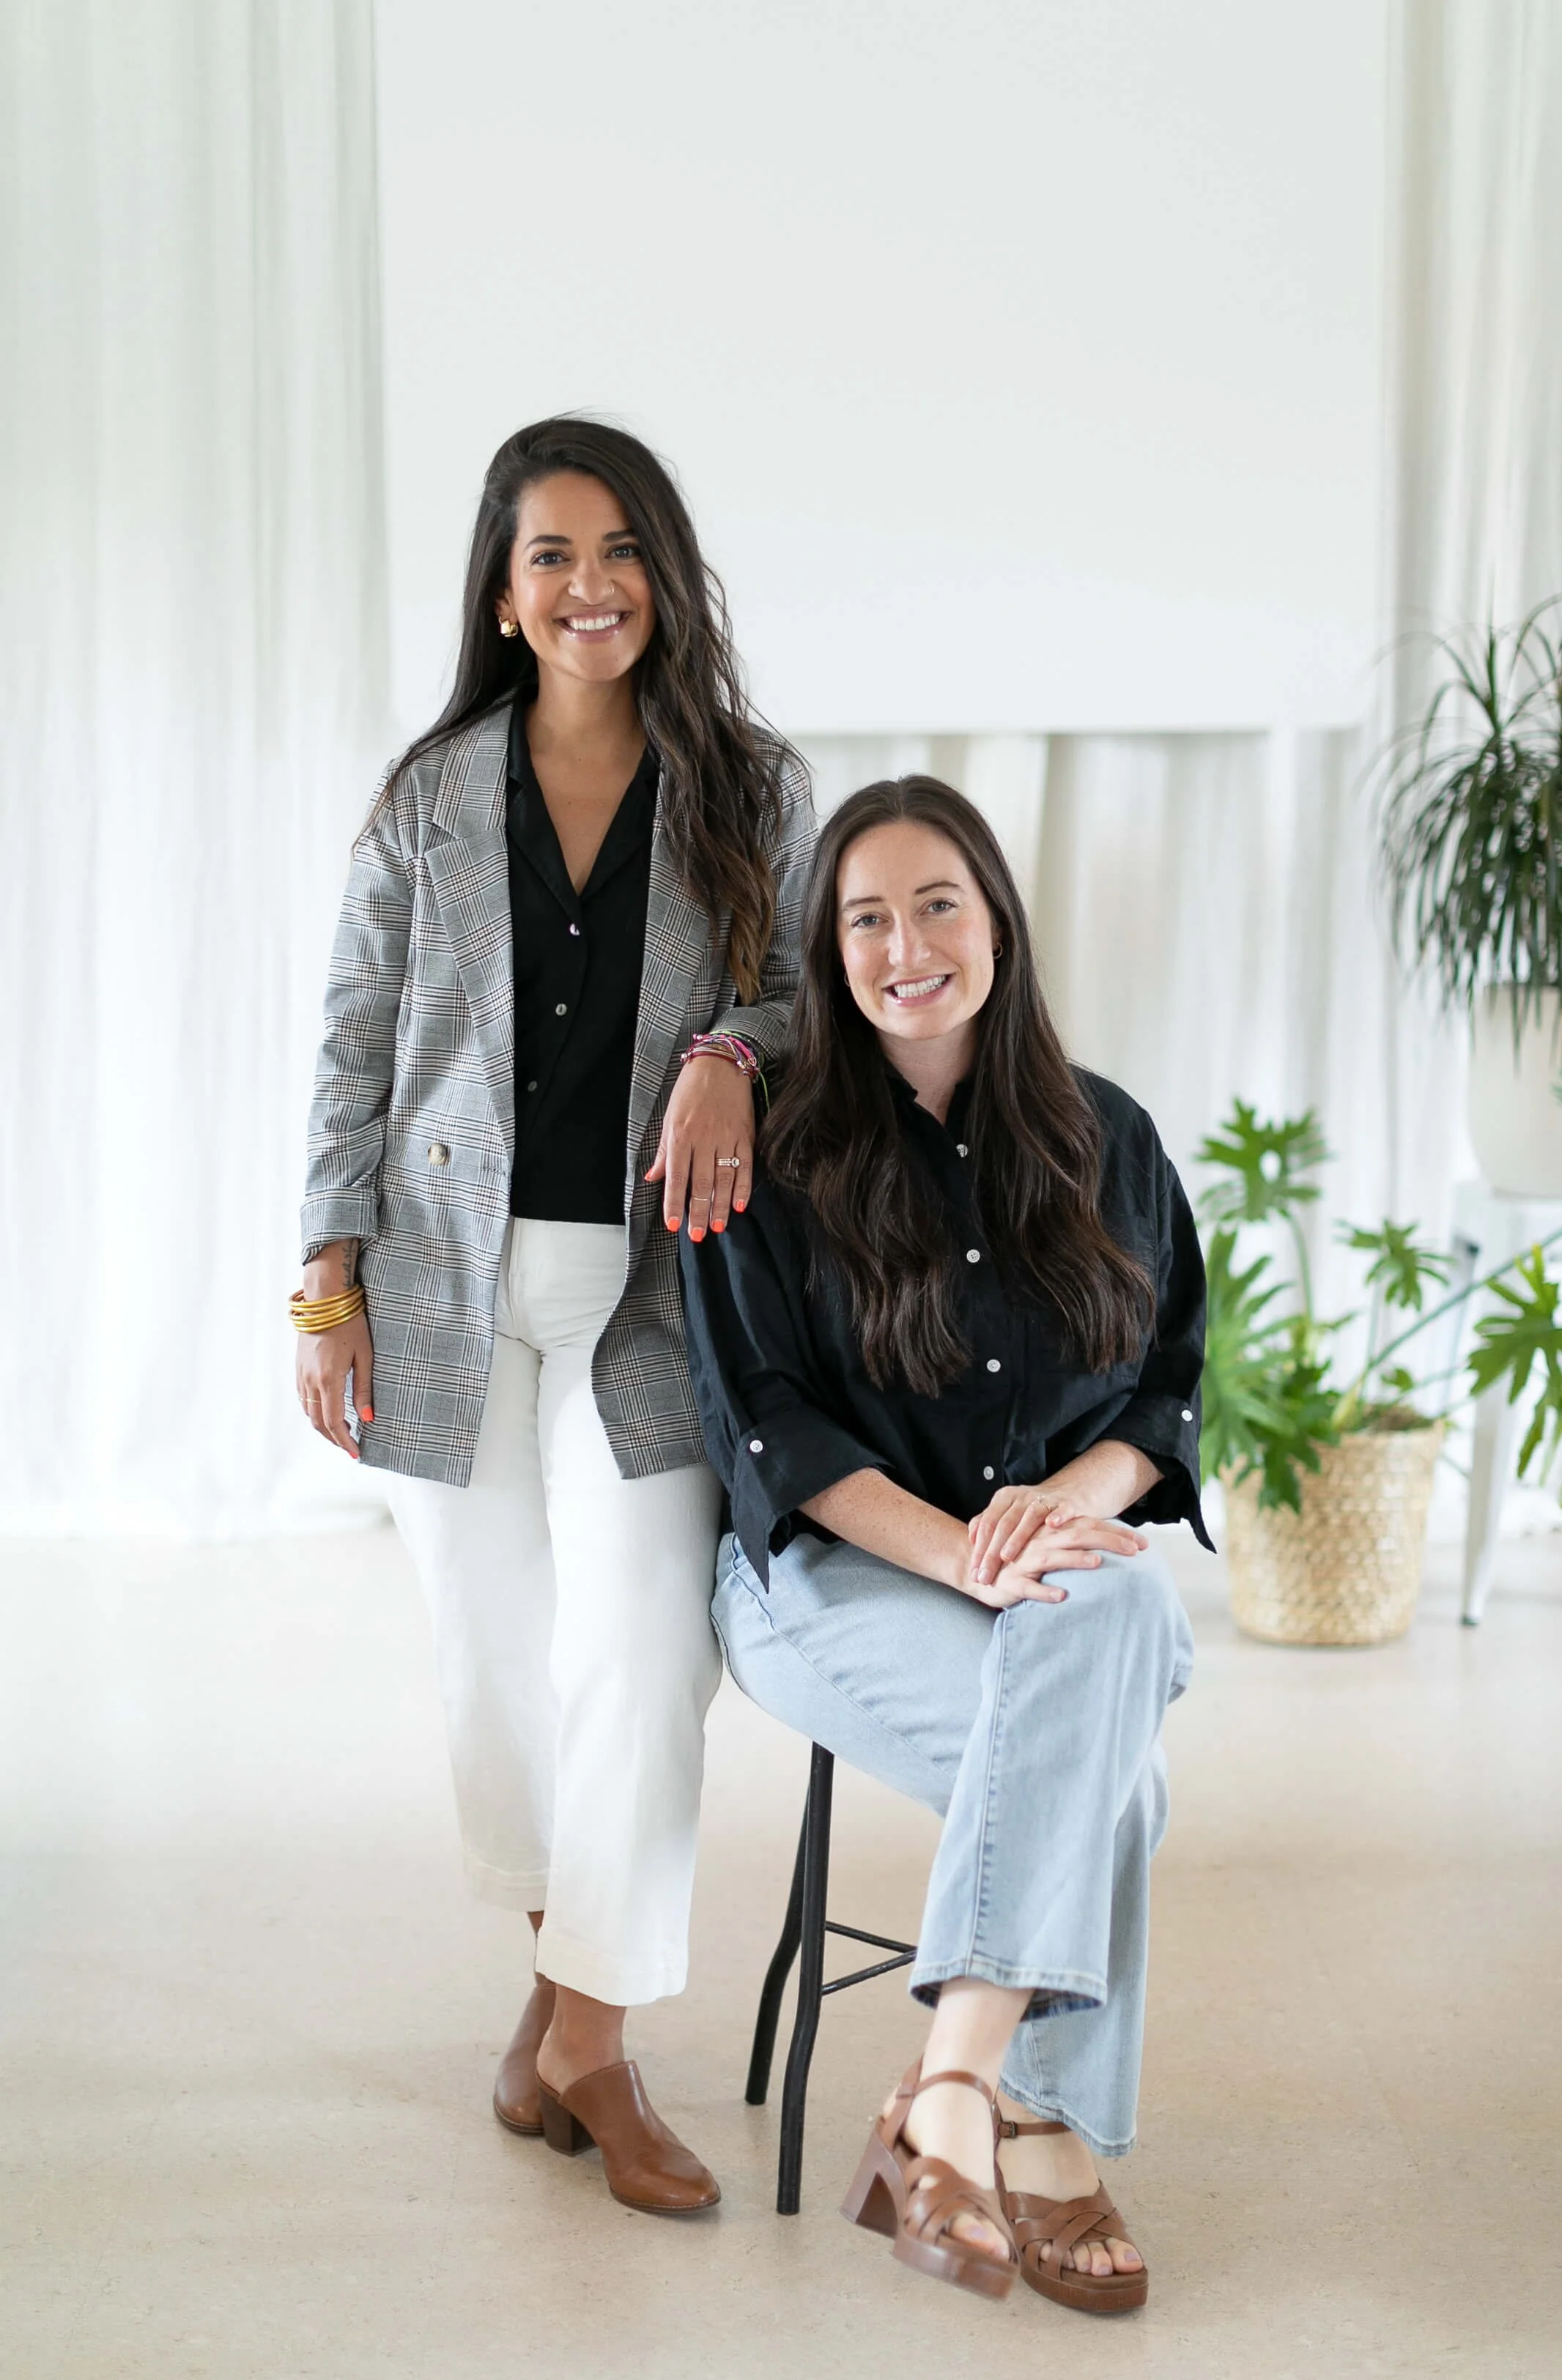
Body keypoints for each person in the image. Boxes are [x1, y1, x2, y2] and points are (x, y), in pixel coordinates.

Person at [296, 417, 813, 2215]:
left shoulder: (750, 786)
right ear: (502, 597)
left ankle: (583, 2038)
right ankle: (571, 2020)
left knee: (646, 1645)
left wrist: (735, 1056)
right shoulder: (428, 798)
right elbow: (354, 1039)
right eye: (549, 556)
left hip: (648, 1290)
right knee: (495, 1662)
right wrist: (323, 1279)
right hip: (438, 1284)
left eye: (618, 550)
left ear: (661, 576)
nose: (588, 585)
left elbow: (791, 994)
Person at [681, 775, 1207, 2310]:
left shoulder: (1107, 1135)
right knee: (1120, 1752)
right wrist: (963, 1551)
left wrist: (1066, 1510)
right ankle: (1025, 2118)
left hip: (1050, 1569)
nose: (904, 945)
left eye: (936, 906)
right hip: (829, 1578)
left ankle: (958, 2094)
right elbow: (764, 1424)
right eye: (863, 918)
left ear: (998, 924)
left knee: (1109, 1615)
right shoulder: (762, 1146)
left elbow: (1170, 1389)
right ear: (825, 952)